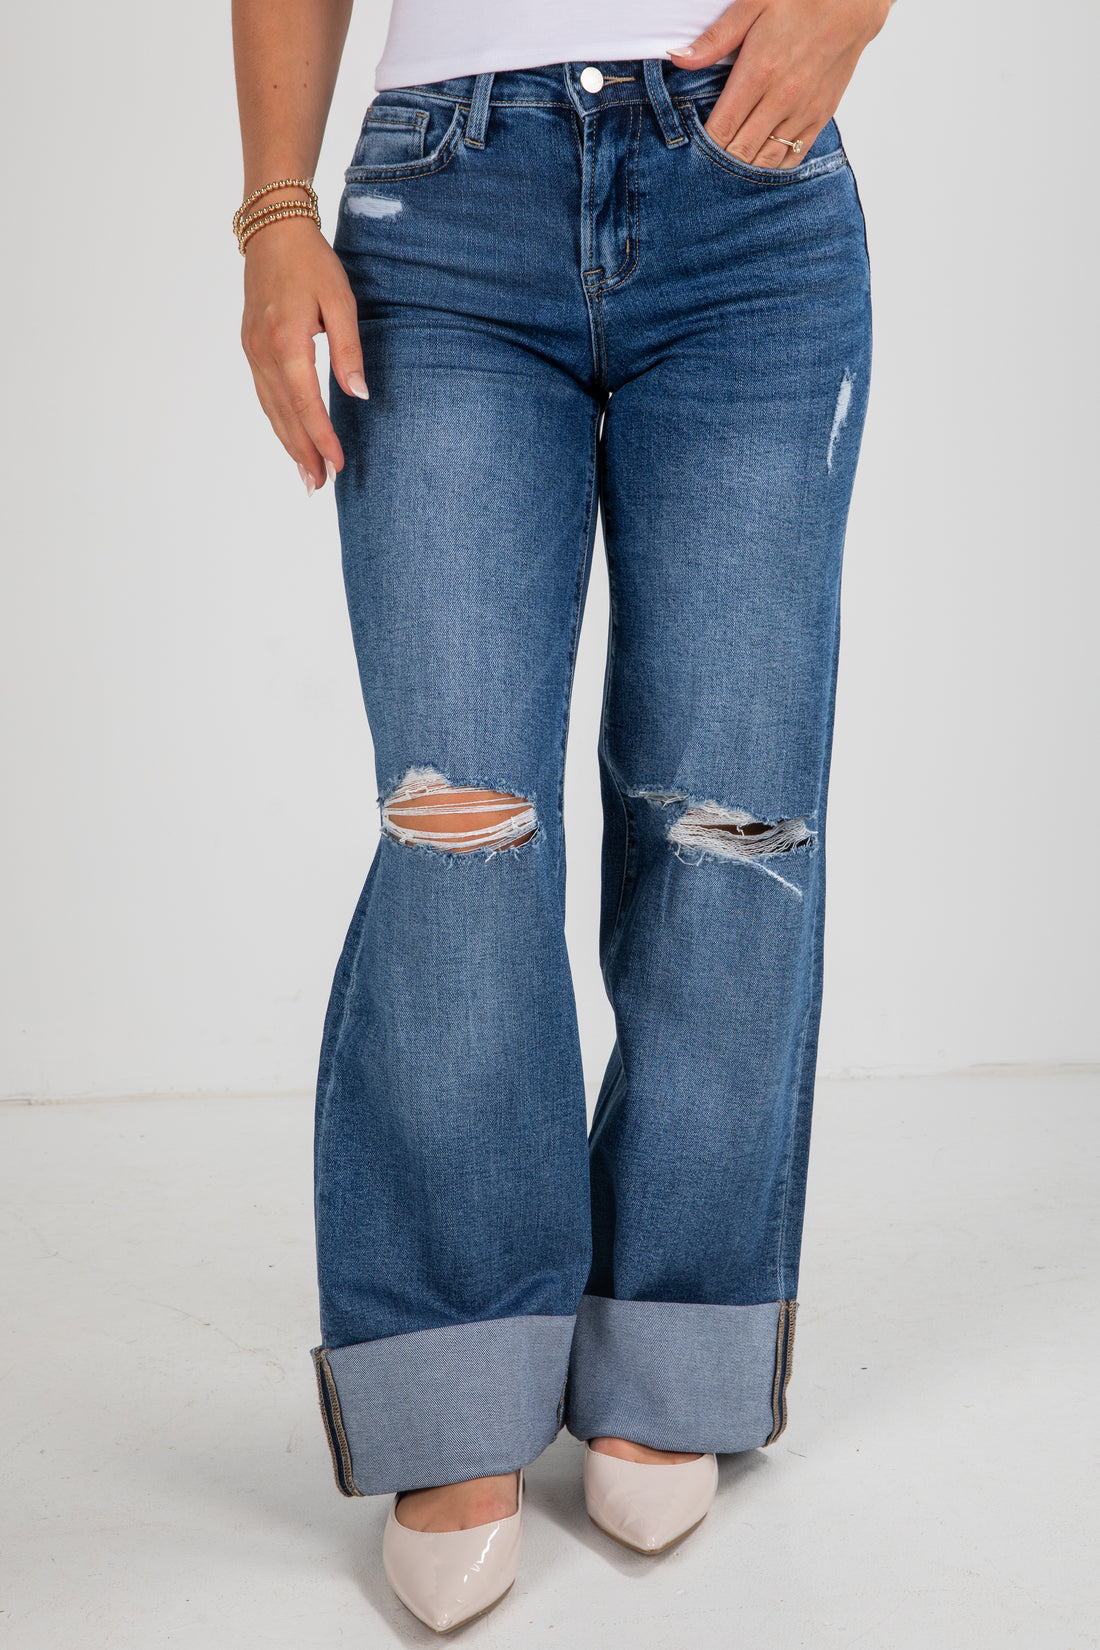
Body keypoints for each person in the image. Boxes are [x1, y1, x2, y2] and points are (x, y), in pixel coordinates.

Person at [233, 0, 892, 1631]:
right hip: (440, 206)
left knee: (732, 827)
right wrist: (274, 206)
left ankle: (679, 1333)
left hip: (750, 187)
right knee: (458, 825)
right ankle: (453, 1372)